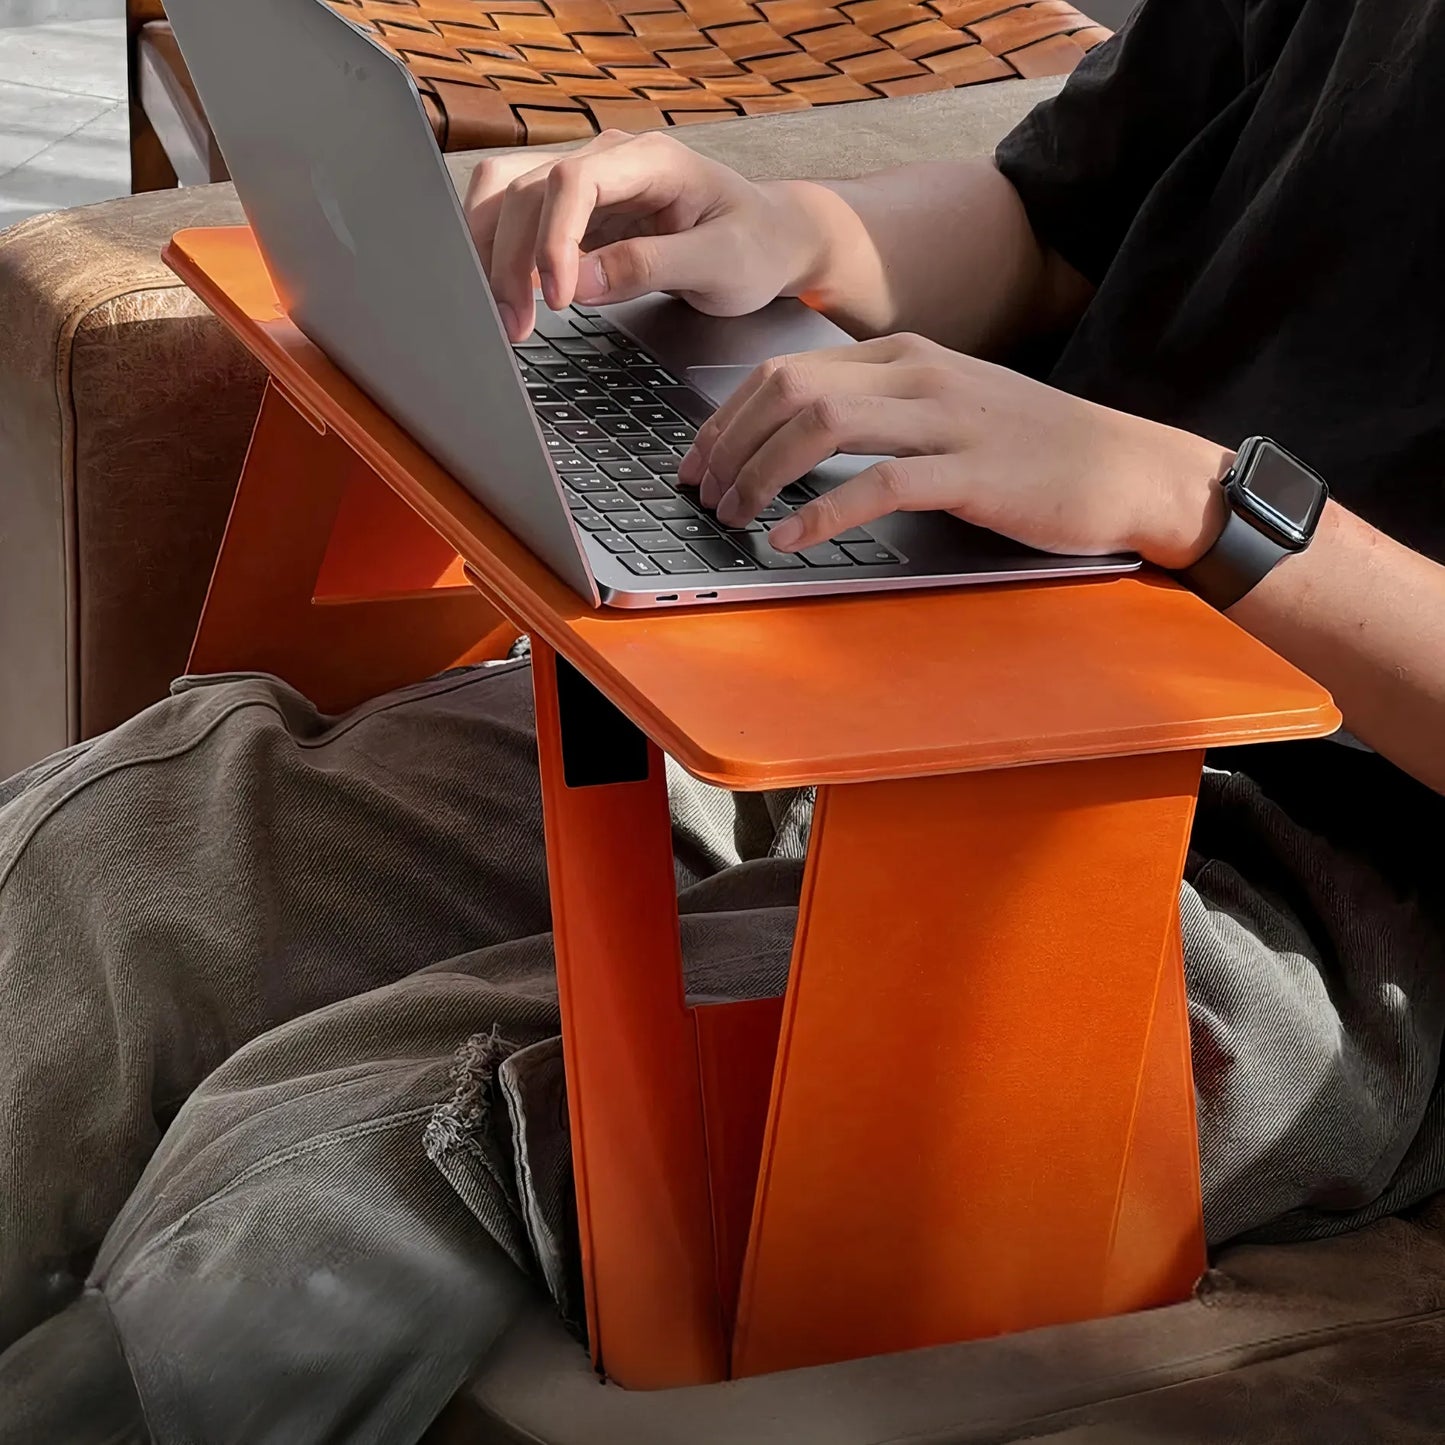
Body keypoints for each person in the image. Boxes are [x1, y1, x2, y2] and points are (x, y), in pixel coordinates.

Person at [4, 0, 1445, 1434]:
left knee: (346, 1163)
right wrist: (793, 233)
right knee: (132, 864)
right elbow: (1054, 220)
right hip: (954, 651)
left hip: (1321, 891)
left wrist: (1206, 509)